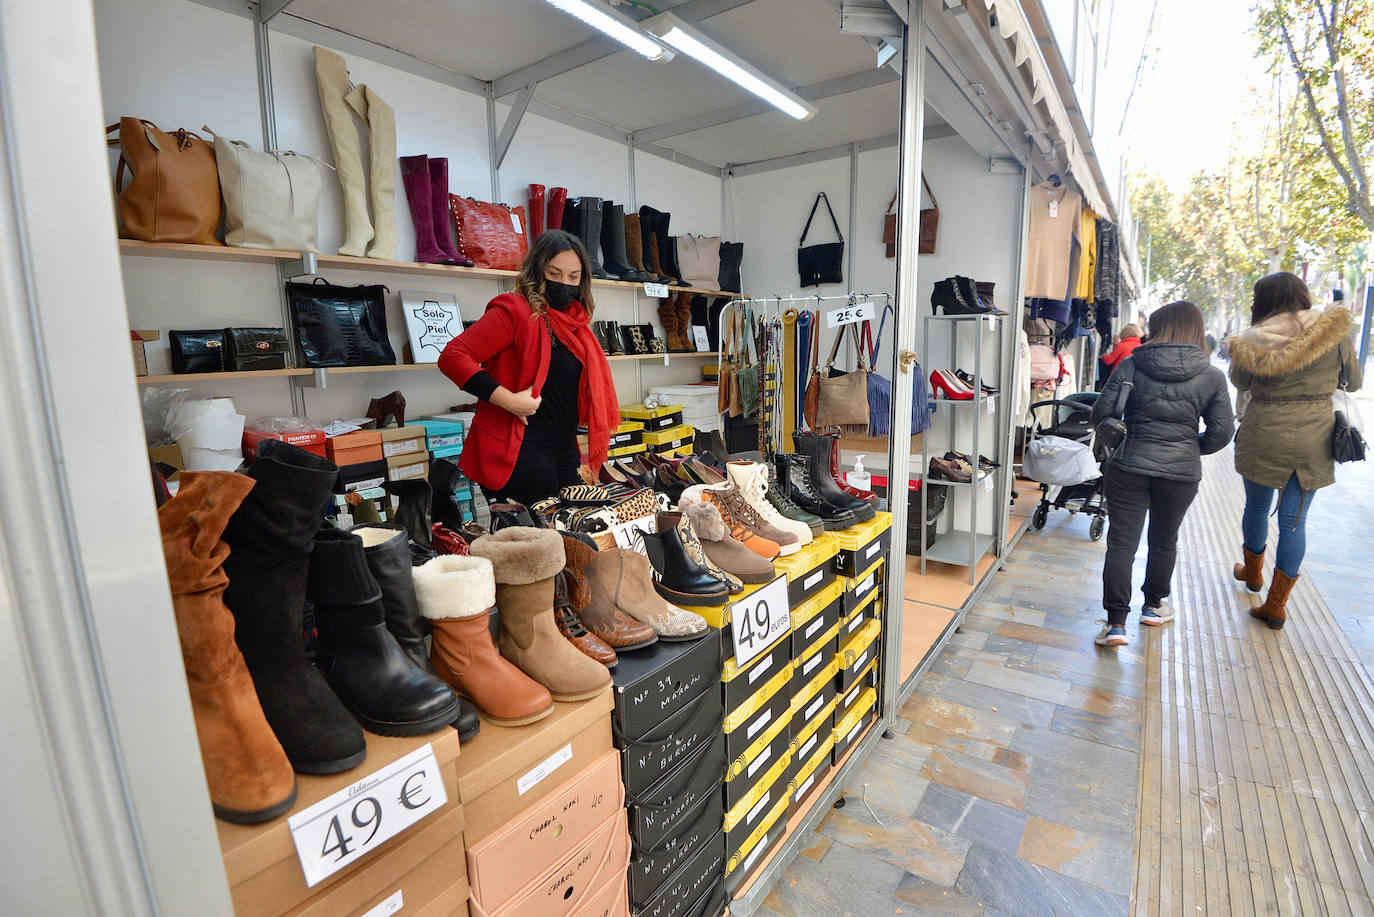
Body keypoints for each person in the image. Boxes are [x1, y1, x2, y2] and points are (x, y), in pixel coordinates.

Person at [438, 230, 620, 507]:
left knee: (574, 535)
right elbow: (453, 356)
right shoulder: (515, 312)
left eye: (573, 276)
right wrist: (510, 401)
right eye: (554, 273)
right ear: (538, 270)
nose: (564, 283)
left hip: (564, 447)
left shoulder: (576, 325)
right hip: (522, 449)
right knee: (535, 544)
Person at [1090, 301, 1235, 646]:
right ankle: (1154, 606)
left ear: (1157, 328)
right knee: (1164, 539)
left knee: (1122, 542)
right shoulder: (1212, 375)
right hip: (1181, 472)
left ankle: (1116, 624)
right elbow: (1221, 432)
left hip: (1128, 464)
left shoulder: (1131, 364)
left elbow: (1102, 413)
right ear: (1196, 331)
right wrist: (1189, 446)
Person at [1227, 272, 1361, 629]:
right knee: (1294, 522)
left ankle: (1253, 574)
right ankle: (1276, 604)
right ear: (1302, 295)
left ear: (1264, 302)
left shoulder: (1252, 340)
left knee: (1256, 506)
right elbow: (1355, 381)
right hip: (1315, 437)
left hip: (1263, 431)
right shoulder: (1333, 332)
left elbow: (1239, 381)